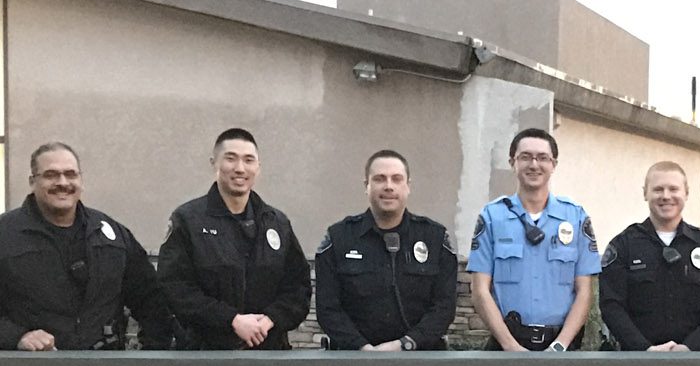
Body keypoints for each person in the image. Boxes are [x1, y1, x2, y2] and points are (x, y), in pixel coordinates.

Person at [0, 142, 175, 351]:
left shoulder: (111, 236)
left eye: (70, 174)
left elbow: (151, 301)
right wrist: (17, 337)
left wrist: (150, 354)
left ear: (81, 180)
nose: (62, 183)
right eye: (51, 175)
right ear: (32, 182)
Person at [159, 128, 311, 350]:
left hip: (269, 354)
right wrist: (231, 320)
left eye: (249, 160)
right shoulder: (188, 220)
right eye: (231, 159)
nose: (240, 168)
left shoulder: (277, 223)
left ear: (258, 167)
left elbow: (298, 288)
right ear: (214, 163)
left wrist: (269, 320)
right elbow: (175, 287)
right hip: (204, 356)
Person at [467, 128, 601, 351]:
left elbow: (584, 291)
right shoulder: (492, 217)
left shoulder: (576, 217)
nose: (534, 165)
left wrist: (560, 345)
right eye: (525, 157)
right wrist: (510, 346)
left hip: (562, 347)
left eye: (542, 158)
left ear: (554, 164)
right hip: (507, 346)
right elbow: (480, 290)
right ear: (513, 162)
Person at [315, 150, 458, 351]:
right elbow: (328, 309)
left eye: (397, 179)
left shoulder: (434, 238)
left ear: (408, 186)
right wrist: (362, 348)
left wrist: (406, 344)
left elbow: (444, 307)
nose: (389, 186)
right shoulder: (339, 238)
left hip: (420, 360)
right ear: (367, 186)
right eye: (380, 179)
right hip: (353, 362)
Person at [598, 162, 700, 352]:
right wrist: (645, 349)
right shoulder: (624, 246)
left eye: (673, 189)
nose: (666, 196)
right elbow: (611, 305)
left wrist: (690, 347)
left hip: (697, 362)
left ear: (686, 193)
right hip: (637, 363)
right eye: (658, 189)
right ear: (645, 193)